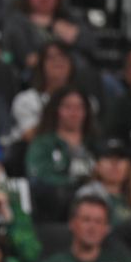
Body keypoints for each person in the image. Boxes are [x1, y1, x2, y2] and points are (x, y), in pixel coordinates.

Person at [25, 85, 96, 222]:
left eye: (79, 107)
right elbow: (37, 176)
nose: (73, 112)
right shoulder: (42, 143)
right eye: (67, 107)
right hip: (57, 206)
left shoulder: (96, 144)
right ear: (56, 110)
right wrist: (74, 184)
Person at [1, 0, 95, 72]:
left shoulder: (69, 18)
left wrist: (73, 36)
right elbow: (25, 58)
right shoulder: (16, 22)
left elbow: (91, 44)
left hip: (75, 77)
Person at [76, 138, 131, 227]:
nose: (114, 163)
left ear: (129, 166)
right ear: (97, 165)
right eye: (108, 157)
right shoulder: (86, 195)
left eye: (121, 158)